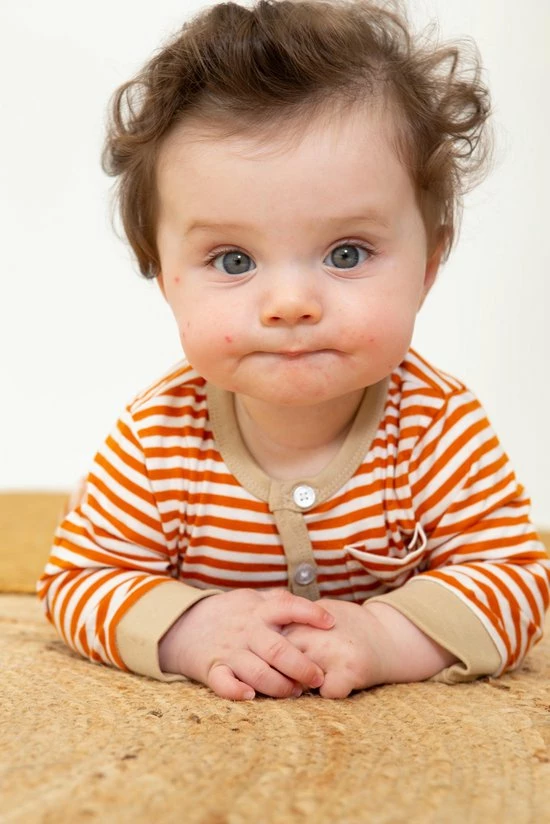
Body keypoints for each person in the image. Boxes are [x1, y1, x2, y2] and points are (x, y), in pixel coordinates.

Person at [37, 0, 550, 702]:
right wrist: (188, 627)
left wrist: (385, 636)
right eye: (234, 260)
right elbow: (78, 580)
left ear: (428, 265)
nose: (290, 302)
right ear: (164, 277)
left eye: (347, 253)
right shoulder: (158, 439)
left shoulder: (437, 427)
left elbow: (514, 580)